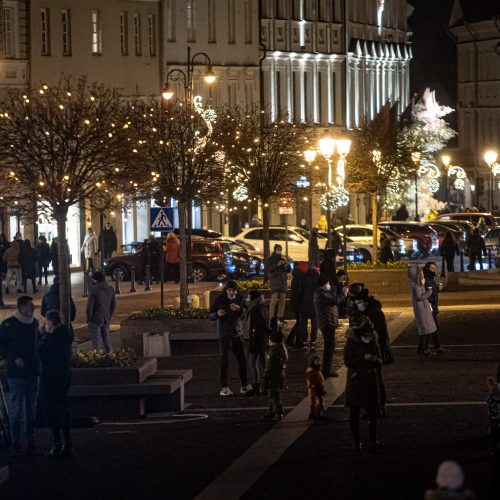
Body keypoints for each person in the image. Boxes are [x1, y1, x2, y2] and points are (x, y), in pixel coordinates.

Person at [0, 295, 40, 457]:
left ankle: (30, 439)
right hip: (16, 374)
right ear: (22, 307)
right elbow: (1, 346)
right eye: (30, 307)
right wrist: (14, 357)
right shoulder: (9, 325)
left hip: (32, 372)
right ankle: (16, 440)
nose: (32, 310)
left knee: (31, 410)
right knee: (16, 409)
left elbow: (36, 344)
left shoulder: (34, 323)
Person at [344, 315, 384, 452]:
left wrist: (374, 359)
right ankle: (356, 442)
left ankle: (373, 440)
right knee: (354, 412)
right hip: (356, 380)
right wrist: (362, 358)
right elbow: (347, 361)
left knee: (373, 412)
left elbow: (380, 360)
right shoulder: (352, 342)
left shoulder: (373, 340)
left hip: (370, 379)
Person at [38, 309, 74, 458]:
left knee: (54, 412)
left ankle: (58, 444)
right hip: (63, 378)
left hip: (53, 380)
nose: (45, 325)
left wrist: (44, 336)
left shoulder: (55, 337)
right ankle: (67, 443)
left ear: (51, 322)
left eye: (46, 322)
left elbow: (42, 353)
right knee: (63, 410)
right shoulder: (65, 334)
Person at [209, 280, 253, 396]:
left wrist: (239, 309)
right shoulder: (219, 299)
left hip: (237, 333)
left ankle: (244, 385)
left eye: (234, 290)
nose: (232, 292)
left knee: (242, 359)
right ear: (226, 290)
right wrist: (217, 314)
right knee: (224, 361)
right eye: (230, 290)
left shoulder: (239, 298)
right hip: (224, 334)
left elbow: (245, 314)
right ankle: (224, 387)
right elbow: (210, 315)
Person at [354, 289, 392, 417]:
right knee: (374, 381)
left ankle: (377, 408)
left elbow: (379, 335)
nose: (357, 304)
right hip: (374, 352)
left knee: (374, 382)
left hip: (374, 353)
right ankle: (377, 408)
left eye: (358, 302)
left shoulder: (373, 313)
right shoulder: (371, 311)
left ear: (364, 302)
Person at [313, 276, 339, 378]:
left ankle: (327, 369)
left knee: (330, 346)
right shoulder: (321, 294)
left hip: (328, 322)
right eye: (328, 283)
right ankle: (326, 370)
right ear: (324, 284)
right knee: (329, 347)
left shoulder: (321, 293)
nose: (329, 285)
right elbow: (335, 301)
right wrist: (343, 294)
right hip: (327, 323)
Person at [262, 318, 288, 420]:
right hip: (279, 375)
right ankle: (272, 410)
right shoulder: (281, 349)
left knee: (274, 394)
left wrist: (265, 378)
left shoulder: (274, 352)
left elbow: (269, 367)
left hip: (273, 376)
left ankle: (278, 412)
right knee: (272, 393)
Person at [408, 265, 436, 356]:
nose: (422, 273)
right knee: (424, 330)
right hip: (422, 309)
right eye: (421, 272)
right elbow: (419, 297)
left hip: (424, 308)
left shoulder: (419, 283)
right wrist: (429, 292)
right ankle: (423, 350)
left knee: (426, 330)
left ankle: (422, 349)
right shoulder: (416, 285)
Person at [247, 289, 270, 395]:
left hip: (257, 341)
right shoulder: (263, 307)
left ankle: (257, 385)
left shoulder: (256, 309)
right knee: (263, 363)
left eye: (249, 297)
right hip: (263, 340)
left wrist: (253, 337)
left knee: (252, 362)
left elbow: (258, 326)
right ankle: (265, 386)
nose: (247, 299)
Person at [86, 271, 116, 352]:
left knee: (96, 343)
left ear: (95, 280)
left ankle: (98, 359)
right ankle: (111, 357)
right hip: (106, 318)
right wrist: (109, 316)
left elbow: (90, 307)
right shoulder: (110, 289)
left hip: (95, 319)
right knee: (107, 341)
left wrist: (89, 319)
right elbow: (113, 306)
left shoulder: (94, 290)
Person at [423, 261, 446, 353]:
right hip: (430, 307)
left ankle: (428, 348)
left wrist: (437, 288)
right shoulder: (427, 279)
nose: (434, 270)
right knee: (431, 328)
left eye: (435, 268)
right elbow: (427, 294)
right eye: (432, 268)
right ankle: (426, 348)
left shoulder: (431, 278)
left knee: (432, 328)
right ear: (428, 269)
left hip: (432, 307)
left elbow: (432, 292)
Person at [298, 265, 319, 350]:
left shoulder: (303, 278)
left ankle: (305, 341)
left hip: (304, 303)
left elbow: (299, 291)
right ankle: (313, 341)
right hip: (314, 304)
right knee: (315, 323)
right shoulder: (318, 278)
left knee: (304, 322)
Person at [267, 244, 291, 321]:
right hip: (275, 283)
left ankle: (280, 318)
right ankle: (271, 318)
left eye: (280, 249)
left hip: (282, 283)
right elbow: (269, 269)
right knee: (273, 302)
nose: (279, 251)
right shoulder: (271, 259)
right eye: (278, 249)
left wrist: (287, 265)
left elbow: (288, 270)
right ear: (274, 250)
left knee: (282, 302)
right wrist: (277, 265)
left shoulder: (282, 259)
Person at [286, 261, 307, 349]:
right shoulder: (300, 277)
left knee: (300, 322)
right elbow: (299, 292)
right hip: (299, 303)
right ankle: (290, 340)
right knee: (300, 322)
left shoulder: (296, 277)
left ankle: (298, 341)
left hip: (296, 303)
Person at [306, 354, 327, 421]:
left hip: (316, 389)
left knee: (315, 402)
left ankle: (313, 414)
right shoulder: (312, 372)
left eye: (319, 361)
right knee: (318, 402)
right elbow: (315, 382)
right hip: (315, 390)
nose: (318, 363)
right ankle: (318, 415)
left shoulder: (315, 371)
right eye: (316, 362)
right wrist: (320, 389)